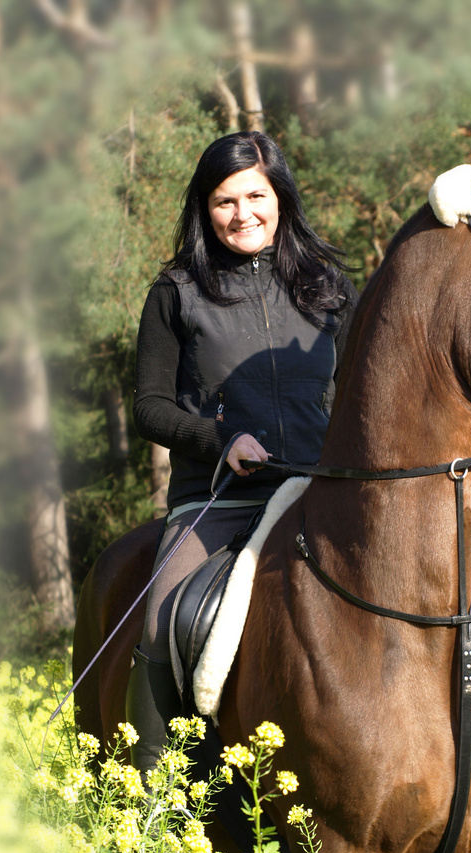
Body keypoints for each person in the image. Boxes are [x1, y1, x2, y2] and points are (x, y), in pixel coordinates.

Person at [129, 130, 357, 778]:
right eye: (224, 200)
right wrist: (220, 441)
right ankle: (150, 800)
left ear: (279, 196)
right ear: (205, 208)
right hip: (218, 499)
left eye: (255, 194)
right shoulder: (175, 293)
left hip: (321, 493)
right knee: (165, 618)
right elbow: (149, 405)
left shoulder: (332, 288)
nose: (242, 213)